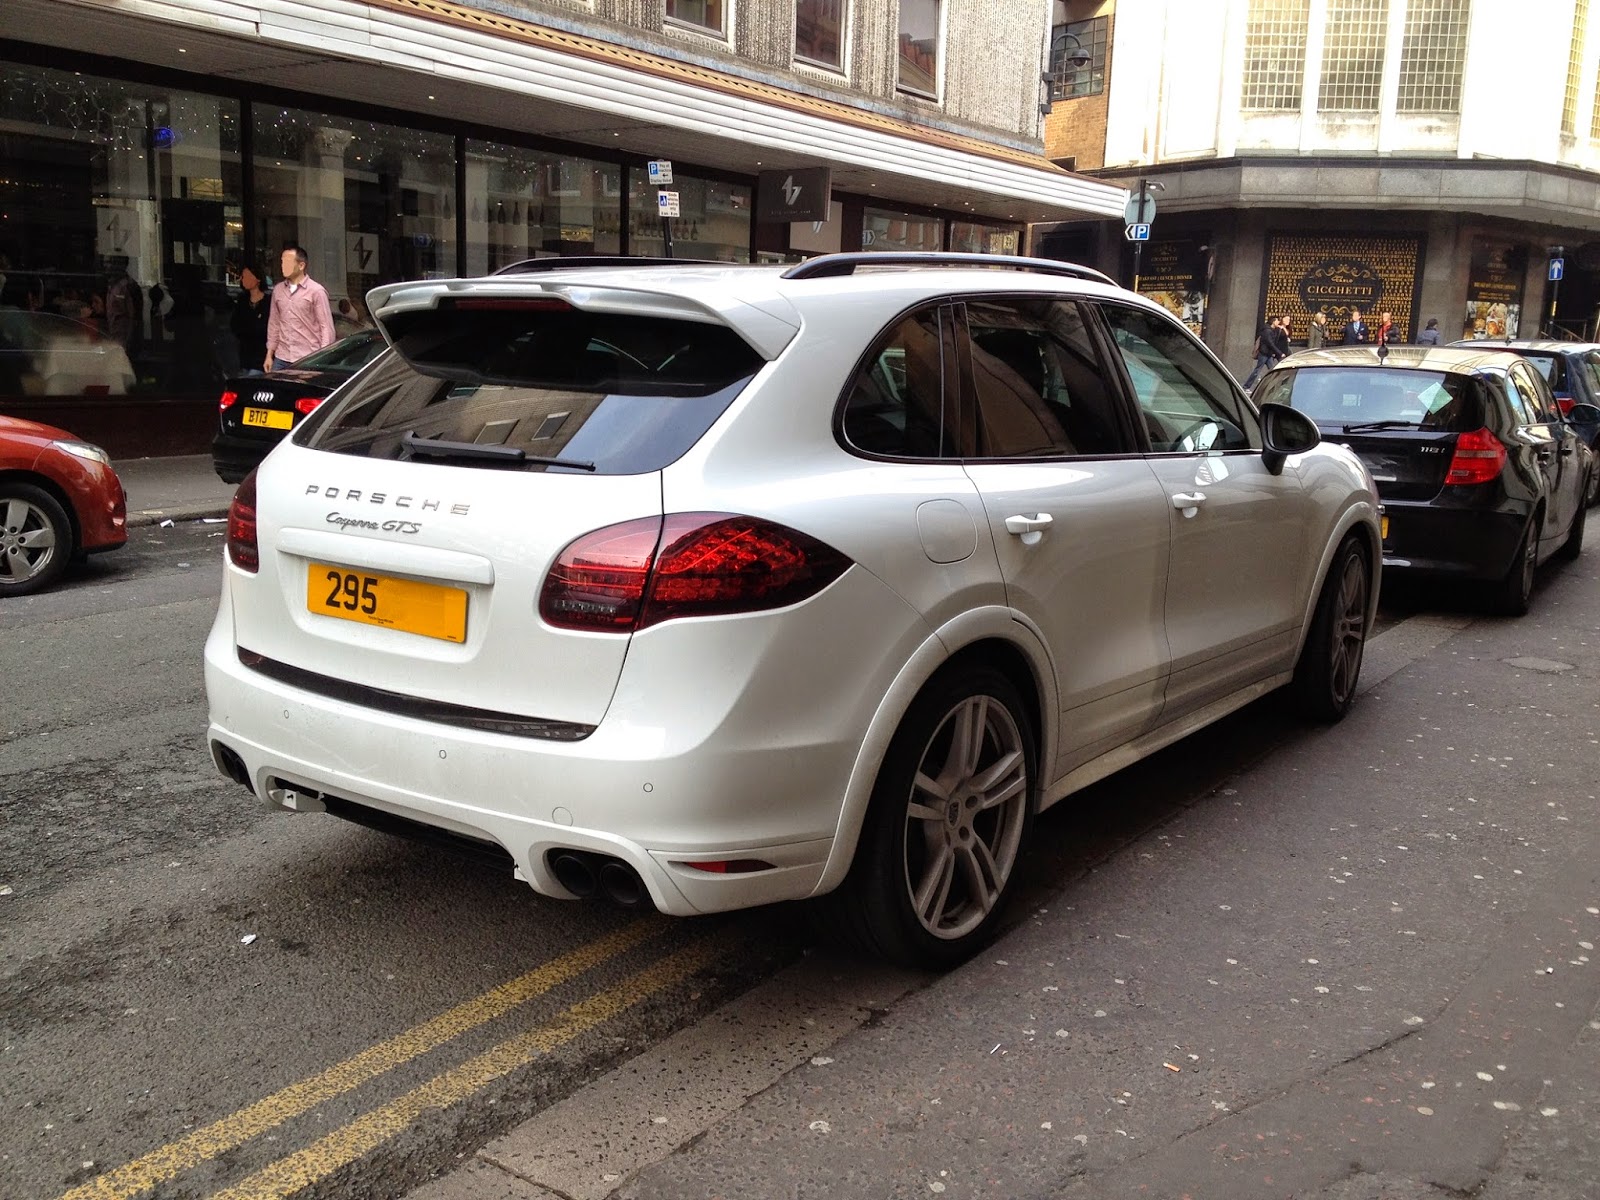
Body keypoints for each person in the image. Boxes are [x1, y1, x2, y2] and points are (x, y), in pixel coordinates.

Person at [264, 244, 335, 371]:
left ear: (301, 265)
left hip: (308, 357)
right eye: (282, 262)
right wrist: (269, 354)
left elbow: (326, 327)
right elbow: (274, 323)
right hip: (281, 357)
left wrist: (322, 359)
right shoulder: (278, 290)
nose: (283, 266)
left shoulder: (316, 291)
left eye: (288, 262)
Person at [230, 263, 271, 377]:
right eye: (242, 277)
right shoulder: (242, 301)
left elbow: (267, 327)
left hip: (262, 355)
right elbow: (235, 325)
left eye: (246, 276)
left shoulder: (268, 301)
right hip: (244, 355)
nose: (243, 279)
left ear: (257, 279)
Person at [1243, 315, 1289, 389]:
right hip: (1264, 354)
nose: (1278, 322)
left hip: (1269, 354)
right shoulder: (1267, 331)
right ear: (1273, 322)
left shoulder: (1271, 330)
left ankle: (1276, 387)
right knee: (1257, 371)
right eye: (1277, 321)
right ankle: (1246, 386)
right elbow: (1270, 343)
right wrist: (1279, 353)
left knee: (1272, 371)